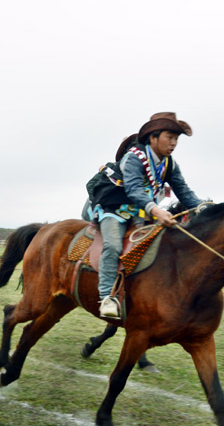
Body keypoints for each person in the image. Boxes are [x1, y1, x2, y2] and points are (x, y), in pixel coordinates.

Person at [86, 112, 204, 319]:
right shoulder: (134, 158)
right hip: (114, 208)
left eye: (176, 139)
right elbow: (134, 190)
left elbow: (183, 191)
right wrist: (158, 211)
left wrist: (203, 207)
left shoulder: (169, 164)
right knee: (112, 245)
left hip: (142, 212)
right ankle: (106, 297)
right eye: (170, 137)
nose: (174, 143)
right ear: (153, 137)